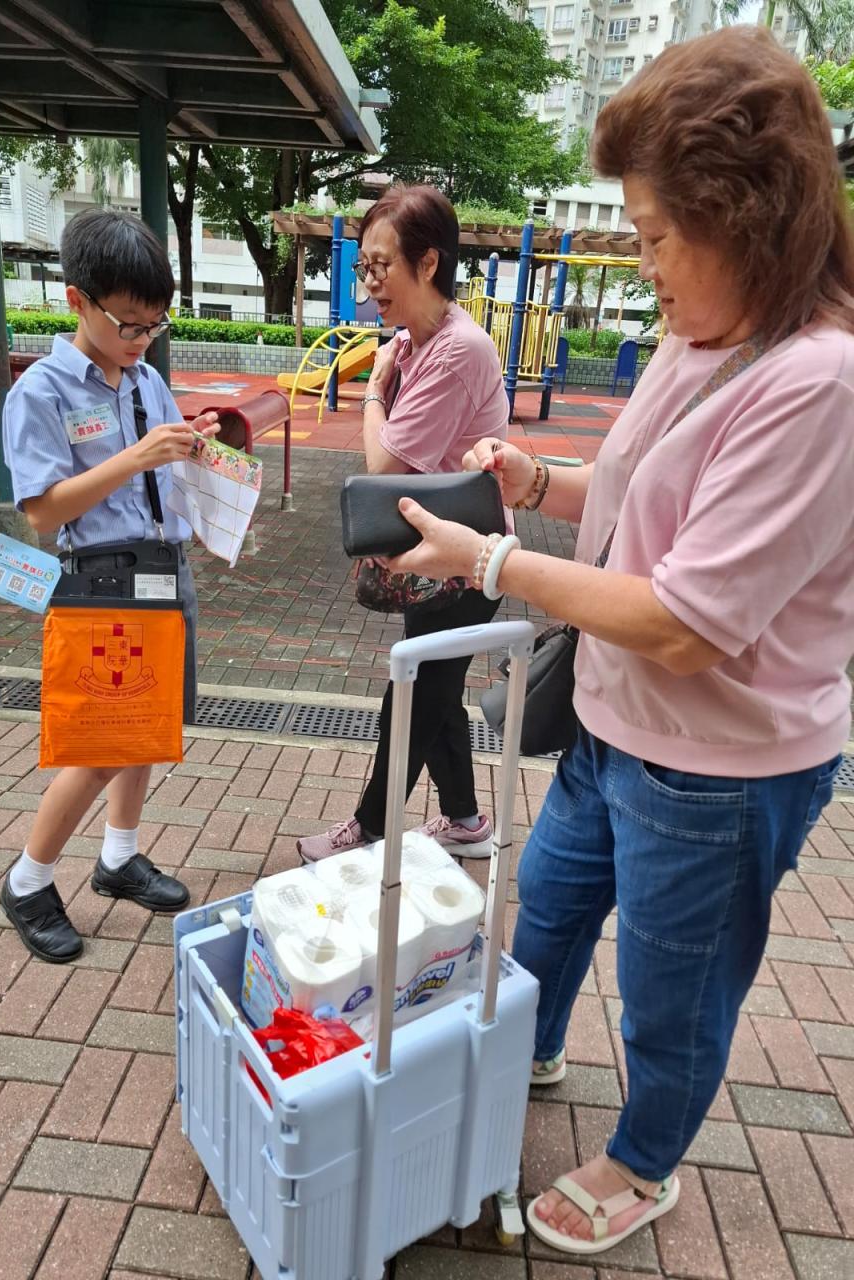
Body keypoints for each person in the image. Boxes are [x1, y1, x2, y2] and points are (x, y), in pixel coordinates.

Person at [381, 27, 854, 1256]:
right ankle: (521, 1052)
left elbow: (688, 621)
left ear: (746, 217)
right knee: (545, 911)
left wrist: (488, 560)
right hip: (614, 724)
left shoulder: (818, 381)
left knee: (672, 990)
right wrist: (538, 481)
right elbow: (649, 498)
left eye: (654, 237)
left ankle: (646, 1159)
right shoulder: (706, 337)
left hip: (717, 765)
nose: (645, 266)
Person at [0, 208, 219, 964]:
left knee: (149, 726)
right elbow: (42, 512)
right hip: (99, 583)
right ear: (77, 301)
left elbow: (163, 466)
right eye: (129, 323)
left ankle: (119, 857)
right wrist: (136, 457)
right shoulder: (42, 392)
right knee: (99, 745)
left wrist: (192, 446)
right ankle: (28, 881)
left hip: (163, 570)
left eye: (155, 325)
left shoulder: (148, 379)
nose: (141, 339)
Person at [297, 185, 511, 863]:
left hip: (467, 559)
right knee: (435, 690)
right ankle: (467, 821)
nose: (370, 281)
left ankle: (369, 828)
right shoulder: (420, 343)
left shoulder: (456, 351)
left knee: (413, 690)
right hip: (439, 554)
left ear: (428, 263)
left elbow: (385, 464)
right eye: (365, 266)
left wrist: (371, 391)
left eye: (381, 264)